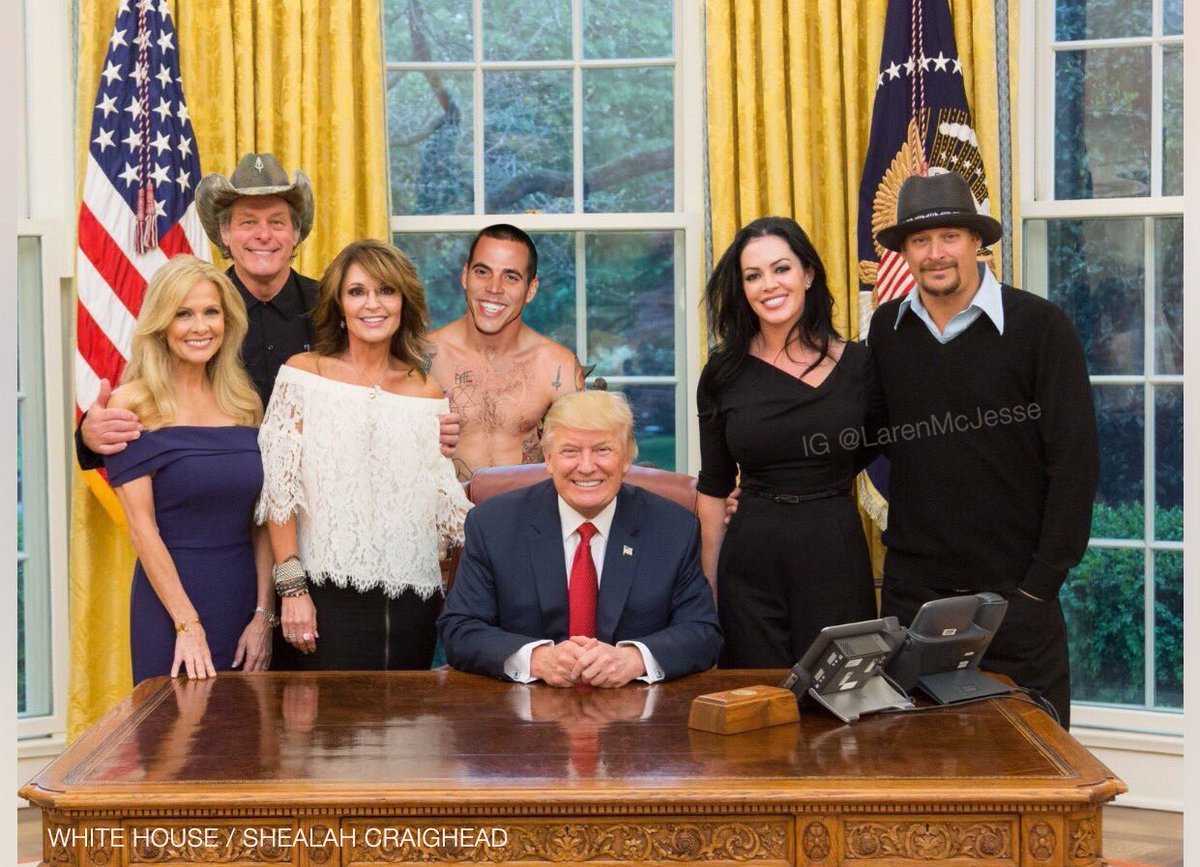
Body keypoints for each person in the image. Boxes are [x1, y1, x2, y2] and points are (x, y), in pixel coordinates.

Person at [869, 170, 1099, 727]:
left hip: (1015, 601)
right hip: (913, 601)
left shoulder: (1041, 328)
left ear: (977, 241)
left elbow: (1075, 465)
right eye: (920, 240)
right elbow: (871, 440)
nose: (935, 253)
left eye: (950, 236)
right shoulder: (886, 332)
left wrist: (1039, 589)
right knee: (920, 762)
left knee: (1034, 764)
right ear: (904, 252)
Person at [76, 152, 461, 465]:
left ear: (296, 232)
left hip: (316, 500)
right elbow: (150, 386)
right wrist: (90, 436)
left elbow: (383, 382)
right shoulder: (198, 313)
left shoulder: (337, 306)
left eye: (277, 222)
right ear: (225, 233)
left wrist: (422, 423)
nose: (263, 235)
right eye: (248, 222)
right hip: (221, 491)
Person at [256, 239, 471, 670]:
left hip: (413, 602)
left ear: (403, 302)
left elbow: (441, 503)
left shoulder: (427, 391)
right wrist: (292, 589)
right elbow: (280, 490)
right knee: (323, 715)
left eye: (386, 291)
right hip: (322, 596)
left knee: (406, 713)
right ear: (339, 304)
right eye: (357, 292)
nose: (373, 304)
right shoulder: (302, 375)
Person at [696, 217, 882, 668]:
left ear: (808, 274)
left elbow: (877, 442)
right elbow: (715, 486)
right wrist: (708, 591)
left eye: (781, 269)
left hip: (835, 549)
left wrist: (819, 472)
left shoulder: (860, 365)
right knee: (755, 699)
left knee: (841, 696)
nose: (769, 285)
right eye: (753, 276)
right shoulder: (722, 372)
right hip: (750, 560)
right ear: (742, 288)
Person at [438, 390, 721, 686]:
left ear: (627, 458)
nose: (586, 467)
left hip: (635, 704)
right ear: (548, 459)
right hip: (523, 706)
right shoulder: (493, 524)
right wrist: (536, 659)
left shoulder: (673, 528)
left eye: (603, 450)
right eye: (570, 451)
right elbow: (460, 629)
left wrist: (634, 659)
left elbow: (702, 632)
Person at [104, 255, 274, 683]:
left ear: (227, 321)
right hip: (169, 611)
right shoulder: (132, 404)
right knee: (175, 726)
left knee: (245, 726)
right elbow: (142, 528)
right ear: (161, 324)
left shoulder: (245, 402)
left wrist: (263, 616)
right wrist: (187, 624)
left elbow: (262, 523)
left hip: (243, 604)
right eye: (184, 314)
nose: (201, 327)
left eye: (211, 312)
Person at [427, 224, 584, 481]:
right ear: (465, 276)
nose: (494, 288)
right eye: (482, 272)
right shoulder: (422, 357)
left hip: (526, 505)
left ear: (531, 289)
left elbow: (580, 459)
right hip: (443, 505)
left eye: (510, 277)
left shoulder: (558, 366)